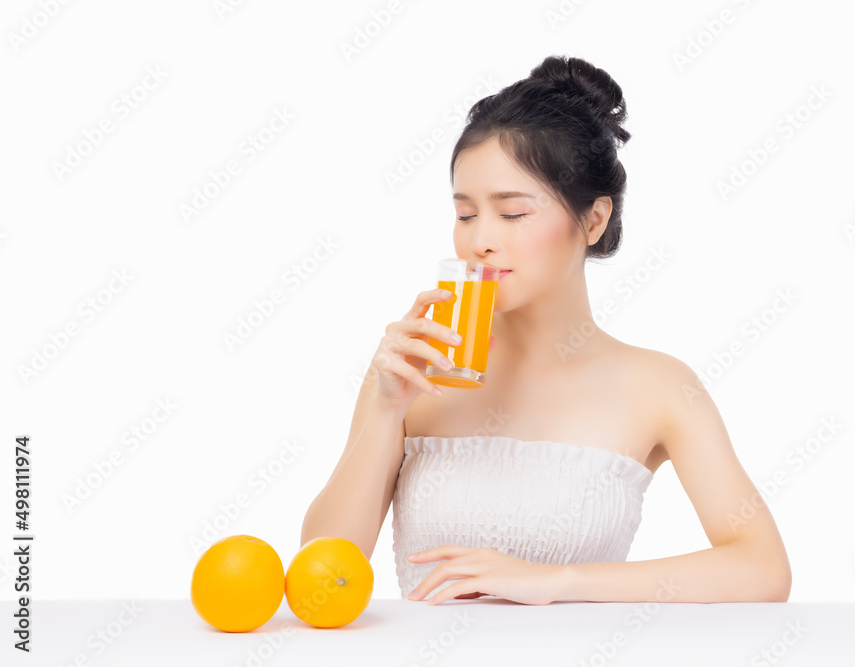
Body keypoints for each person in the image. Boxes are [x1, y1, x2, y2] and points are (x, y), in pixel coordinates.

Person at [300, 54, 792, 606]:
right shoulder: (413, 365)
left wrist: (556, 581)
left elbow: (762, 570)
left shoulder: (658, 387)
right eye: (465, 215)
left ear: (593, 220)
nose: (479, 240)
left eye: (512, 214)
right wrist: (386, 412)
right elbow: (321, 570)